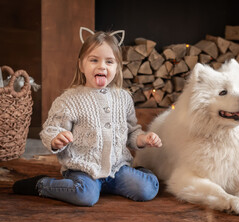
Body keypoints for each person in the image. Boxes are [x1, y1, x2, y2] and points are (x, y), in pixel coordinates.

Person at [13, 29, 162, 206]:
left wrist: (143, 139)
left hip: (117, 169)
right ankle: (41, 185)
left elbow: (131, 133)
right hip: (83, 169)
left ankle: (136, 174)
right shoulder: (69, 100)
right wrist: (56, 139)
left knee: (148, 189)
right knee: (85, 196)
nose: (102, 66)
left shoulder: (123, 98)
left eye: (109, 61)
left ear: (117, 67)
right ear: (81, 65)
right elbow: (51, 130)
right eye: (94, 60)